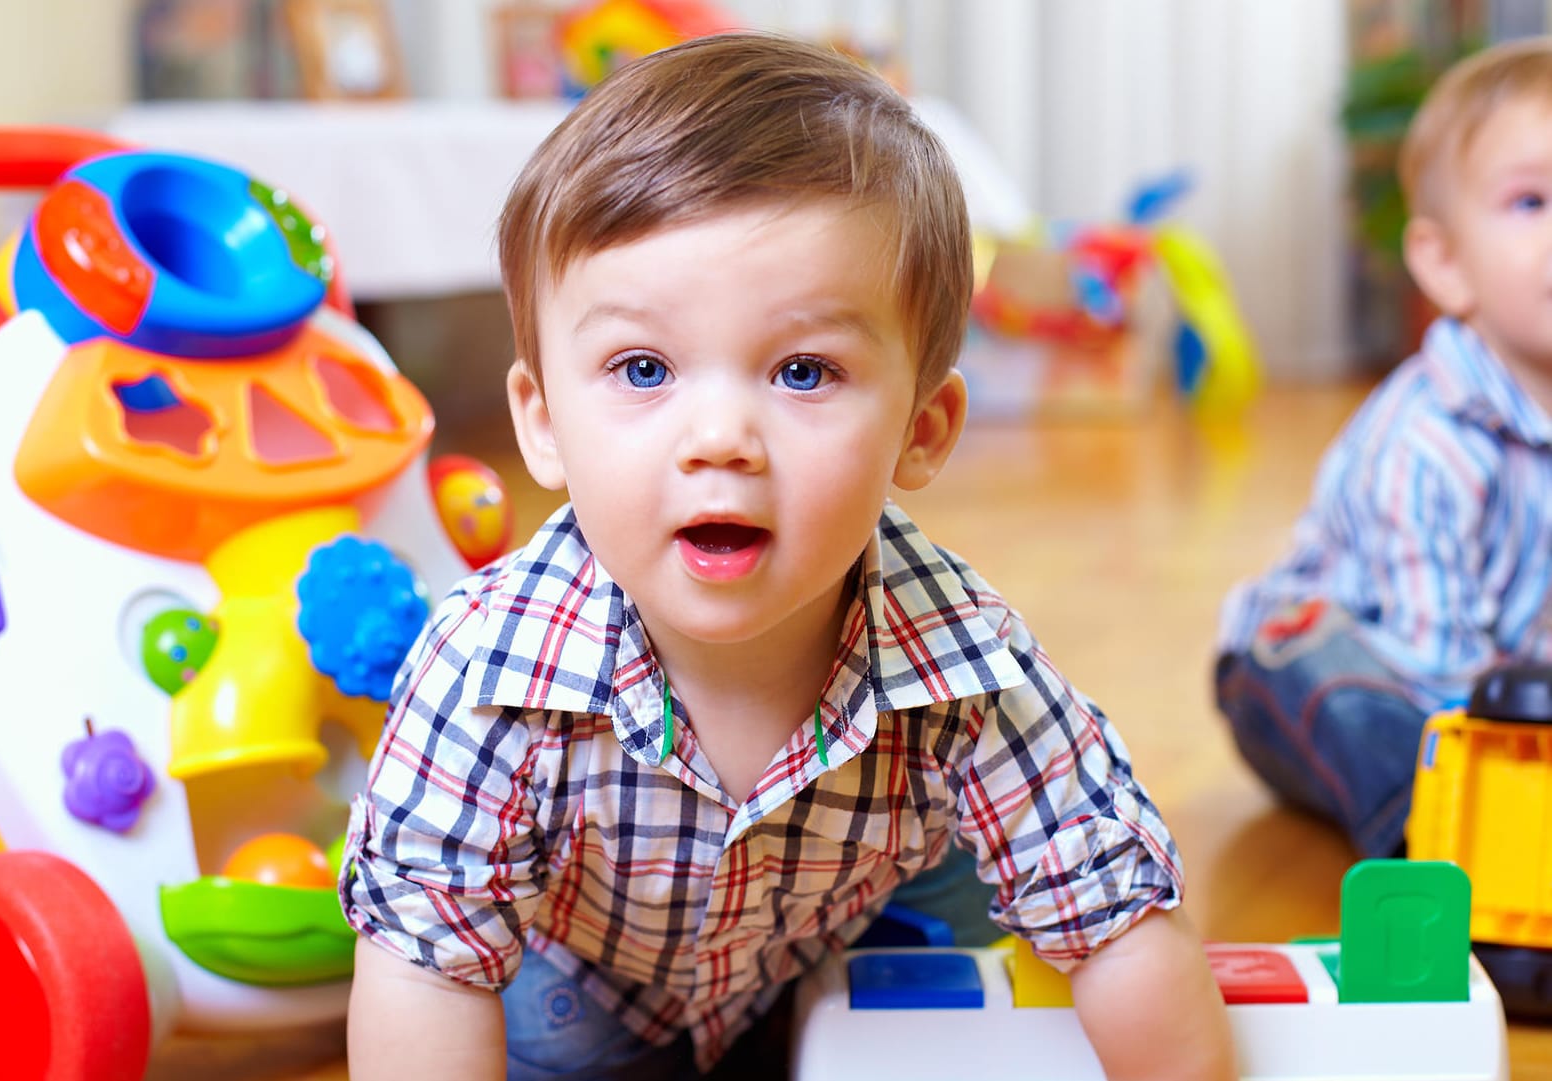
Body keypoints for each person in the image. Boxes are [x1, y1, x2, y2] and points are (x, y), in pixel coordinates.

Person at [342, 32, 1234, 1081]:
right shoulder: (488, 669)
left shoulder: (970, 660)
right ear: (542, 424)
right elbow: (425, 959)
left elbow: (1116, 912)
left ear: (923, 429)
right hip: (578, 981)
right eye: (642, 368)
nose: (718, 436)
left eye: (804, 372)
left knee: (960, 996)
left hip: (844, 940)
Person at [1215, 36, 1552, 859]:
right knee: (1364, 708)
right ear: (1443, 263)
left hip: (1504, 687)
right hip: (1332, 665)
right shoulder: (1423, 443)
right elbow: (1435, 674)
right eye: (1530, 202)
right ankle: (1432, 849)